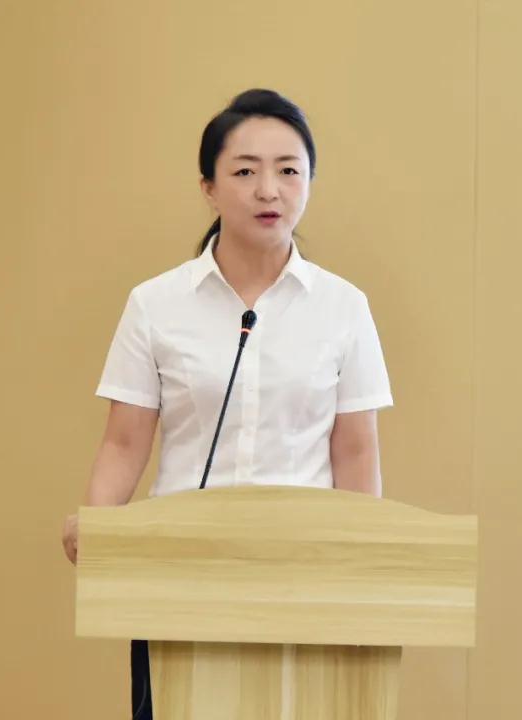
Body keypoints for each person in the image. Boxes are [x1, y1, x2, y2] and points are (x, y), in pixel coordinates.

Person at [61, 88, 393, 720]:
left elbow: (356, 453)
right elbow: (124, 442)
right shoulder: (156, 304)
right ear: (209, 188)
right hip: (179, 572)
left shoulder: (344, 308)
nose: (269, 190)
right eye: (245, 172)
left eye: (289, 170)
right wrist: (99, 527)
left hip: (301, 577)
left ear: (309, 183)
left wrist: (361, 569)